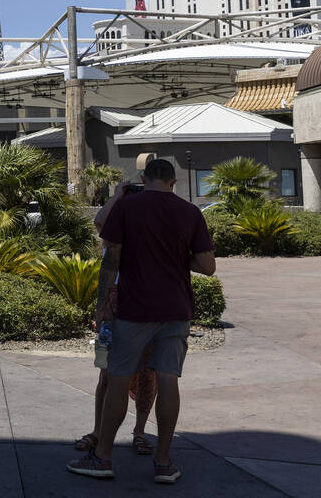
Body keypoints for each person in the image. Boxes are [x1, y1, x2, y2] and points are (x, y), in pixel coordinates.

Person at [67, 158, 215, 485]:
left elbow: (111, 259)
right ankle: (163, 463)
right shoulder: (190, 212)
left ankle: (103, 457)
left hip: (134, 309)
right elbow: (207, 265)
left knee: (118, 379)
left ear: (144, 179)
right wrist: (176, 258)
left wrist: (102, 306)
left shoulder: (128, 207)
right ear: (174, 182)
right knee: (168, 381)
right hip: (176, 310)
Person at [75, 181, 160, 457]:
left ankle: (139, 432)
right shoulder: (115, 227)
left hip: (145, 306)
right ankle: (99, 431)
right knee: (107, 375)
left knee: (147, 375)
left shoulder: (151, 229)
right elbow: (99, 222)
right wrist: (117, 196)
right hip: (116, 306)